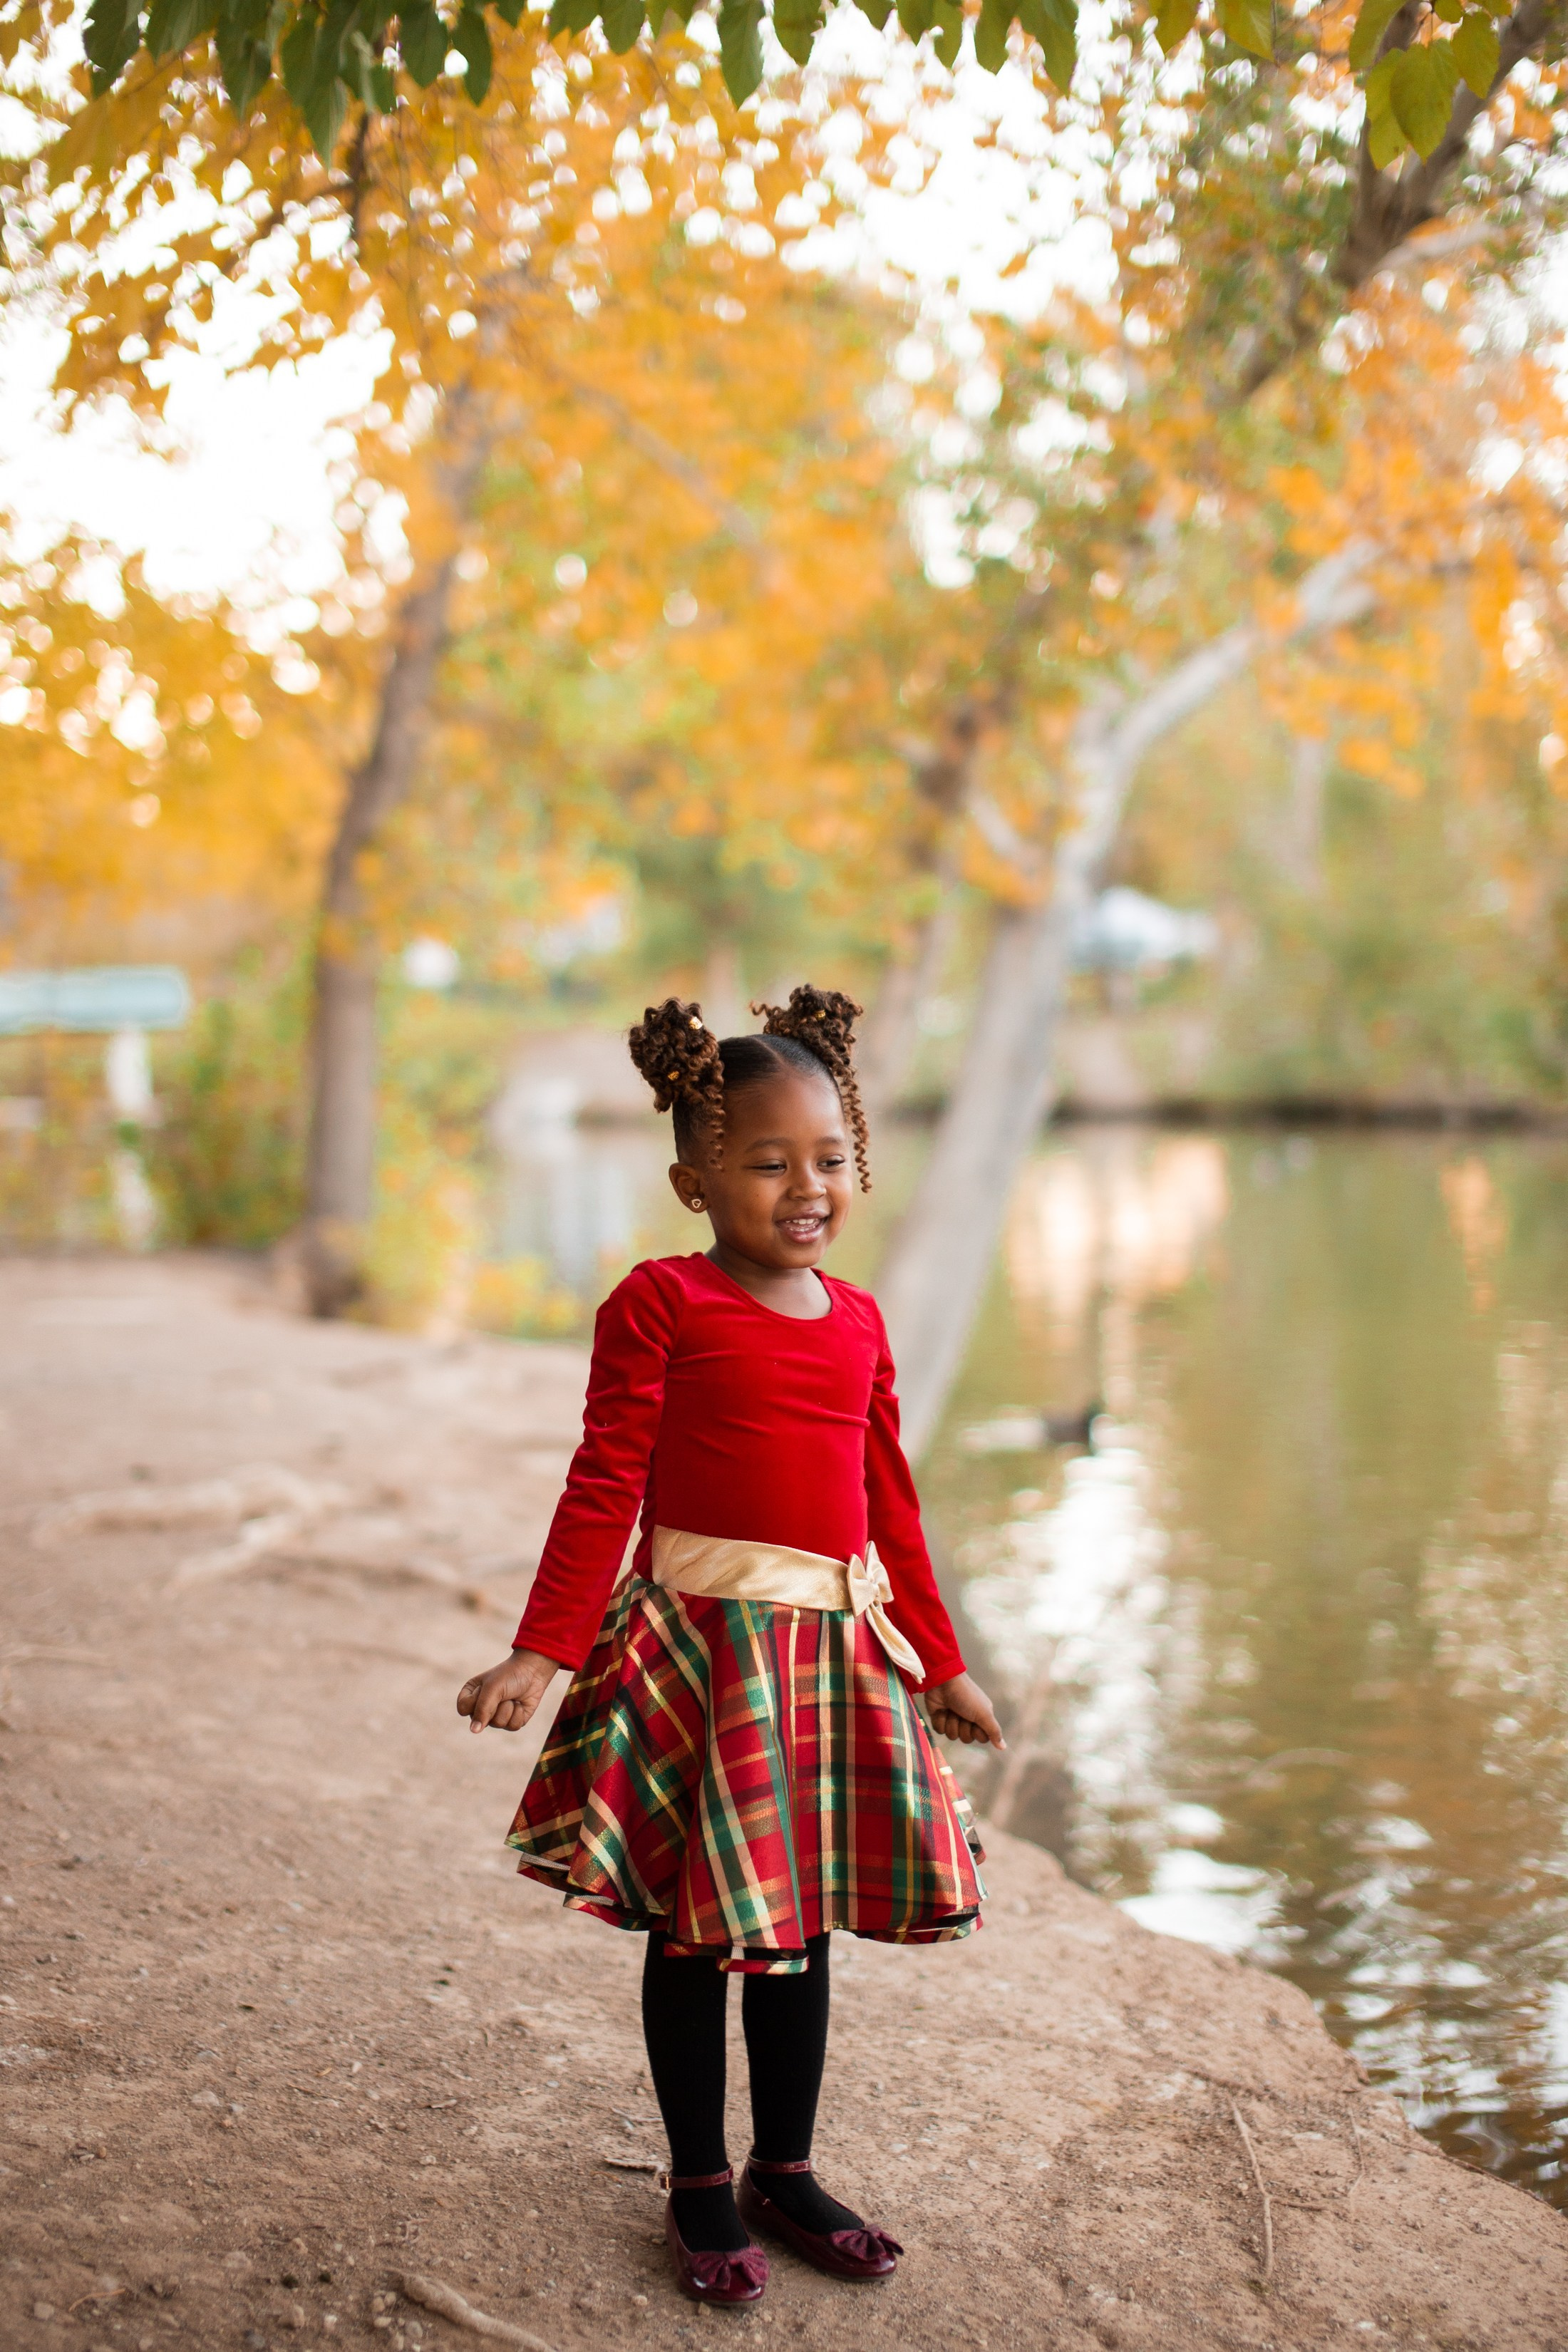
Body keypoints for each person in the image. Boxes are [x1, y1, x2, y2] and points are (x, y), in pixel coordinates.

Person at [457, 984, 1004, 2309]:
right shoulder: (661, 1305)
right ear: (694, 1180)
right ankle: (700, 2180)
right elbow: (605, 1482)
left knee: (798, 1930)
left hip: (828, 1663)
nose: (804, 1187)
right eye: (767, 1163)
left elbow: (888, 1505)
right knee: (700, 1935)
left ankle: (787, 2168)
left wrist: (939, 1664)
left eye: (829, 1159)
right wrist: (544, 1648)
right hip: (696, 1658)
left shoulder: (863, 1323)